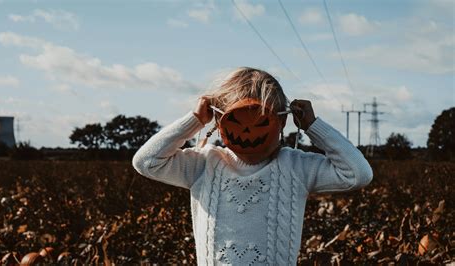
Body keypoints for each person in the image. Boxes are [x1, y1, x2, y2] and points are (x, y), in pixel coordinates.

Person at [132, 67, 373, 265]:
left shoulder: (296, 167)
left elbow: (357, 174)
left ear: (282, 121)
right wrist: (194, 120)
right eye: (236, 120)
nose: (249, 130)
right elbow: (146, 161)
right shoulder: (204, 164)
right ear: (220, 121)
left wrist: (312, 126)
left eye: (261, 121)